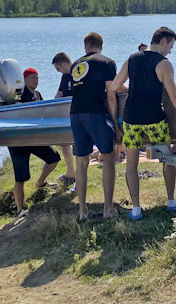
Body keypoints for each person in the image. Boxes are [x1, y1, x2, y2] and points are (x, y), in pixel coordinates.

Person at [110, 27, 176, 220]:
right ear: (163, 41)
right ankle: (171, 201)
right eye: (170, 45)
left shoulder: (132, 59)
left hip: (132, 119)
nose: (170, 50)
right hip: (154, 119)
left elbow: (115, 86)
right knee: (168, 159)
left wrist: (135, 87)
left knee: (131, 166)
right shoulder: (164, 64)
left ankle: (136, 208)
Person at [69, 32, 118, 220]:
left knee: (81, 161)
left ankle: (82, 210)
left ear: (86, 46)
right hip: (96, 113)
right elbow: (111, 94)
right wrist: (115, 123)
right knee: (108, 157)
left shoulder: (76, 64)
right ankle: (107, 208)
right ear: (101, 45)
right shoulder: (107, 63)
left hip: (75, 114)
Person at [8, 68, 62, 218]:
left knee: (54, 158)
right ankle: (20, 210)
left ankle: (40, 183)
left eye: (37, 78)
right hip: (18, 142)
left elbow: (44, 111)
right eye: (32, 78)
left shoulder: (37, 94)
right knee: (21, 178)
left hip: (35, 138)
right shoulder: (18, 95)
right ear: (24, 80)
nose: (35, 80)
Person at [52, 52, 77, 187]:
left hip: (79, 112)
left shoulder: (78, 72)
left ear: (63, 64)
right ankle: (70, 171)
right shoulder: (65, 77)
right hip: (66, 113)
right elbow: (59, 94)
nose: (58, 72)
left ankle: (79, 177)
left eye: (58, 68)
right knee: (64, 141)